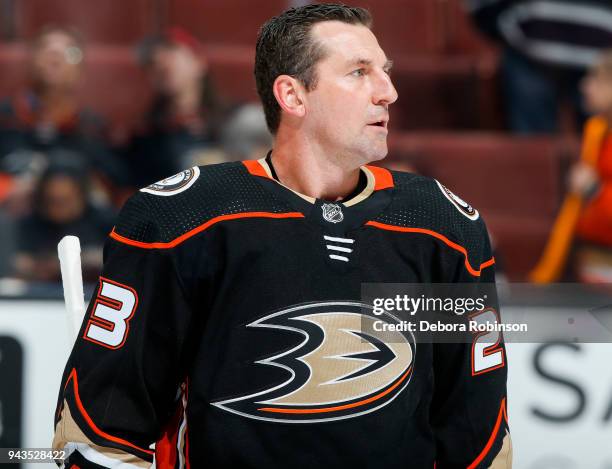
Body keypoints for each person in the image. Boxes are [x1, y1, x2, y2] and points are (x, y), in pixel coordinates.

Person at [53, 4, 511, 468]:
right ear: (292, 96)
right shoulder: (181, 220)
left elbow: (476, 430)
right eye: (359, 72)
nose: (388, 92)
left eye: (385, 72)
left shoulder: (440, 225)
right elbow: (100, 431)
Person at [0, 26, 126, 187]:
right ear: (29, 64)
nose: (55, 56)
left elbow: (116, 187)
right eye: (44, 48)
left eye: (69, 52)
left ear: (80, 73)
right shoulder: (5, 119)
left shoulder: (93, 130)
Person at [466, 0, 612, 134]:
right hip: (527, 50)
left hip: (603, 52)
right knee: (532, 146)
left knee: (603, 131)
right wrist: (500, 23)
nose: (584, 87)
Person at [530, 51, 612, 282]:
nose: (585, 87)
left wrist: (594, 190)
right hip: (593, 256)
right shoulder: (596, 130)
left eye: (596, 79)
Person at [125, 27, 229, 187]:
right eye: (152, 62)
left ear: (199, 62)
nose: (161, 61)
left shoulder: (232, 122)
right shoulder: (146, 136)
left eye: (171, 50)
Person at [13, 163, 115, 283]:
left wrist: (73, 262)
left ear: (82, 196)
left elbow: (118, 261)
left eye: (65, 200)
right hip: (41, 294)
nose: (57, 209)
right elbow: (17, 263)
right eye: (51, 200)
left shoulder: (105, 221)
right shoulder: (29, 224)